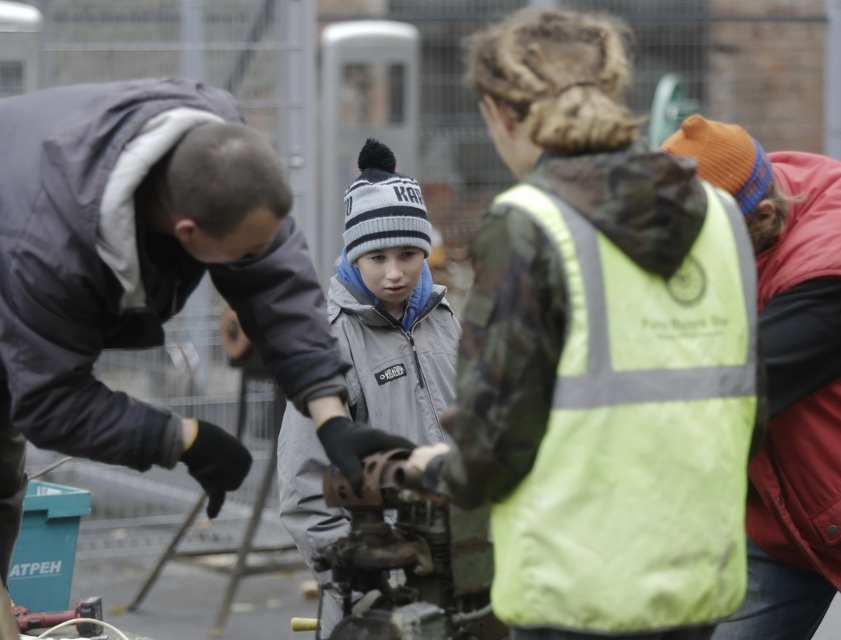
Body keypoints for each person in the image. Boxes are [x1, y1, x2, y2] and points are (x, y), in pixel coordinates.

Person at [320, 9, 764, 640]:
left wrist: (422, 466)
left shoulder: (528, 223)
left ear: (501, 112)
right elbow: (753, 416)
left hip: (577, 588)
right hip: (699, 578)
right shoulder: (721, 217)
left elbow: (494, 446)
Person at [0, 78, 406, 617]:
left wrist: (331, 415)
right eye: (246, 249)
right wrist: (183, 439)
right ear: (187, 232)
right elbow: (50, 400)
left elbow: (274, 278)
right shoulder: (46, 253)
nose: (261, 254)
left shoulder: (220, 148)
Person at [660, 115, 841, 640]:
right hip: (790, 511)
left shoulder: (837, 277)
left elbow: (718, 393)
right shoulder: (773, 186)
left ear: (765, 217)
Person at [276, 138, 461, 636]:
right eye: (377, 257)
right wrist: (360, 572)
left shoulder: (445, 321)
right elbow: (303, 483)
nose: (395, 272)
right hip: (379, 586)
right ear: (354, 257)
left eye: (408, 253)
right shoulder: (330, 339)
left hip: (458, 566)